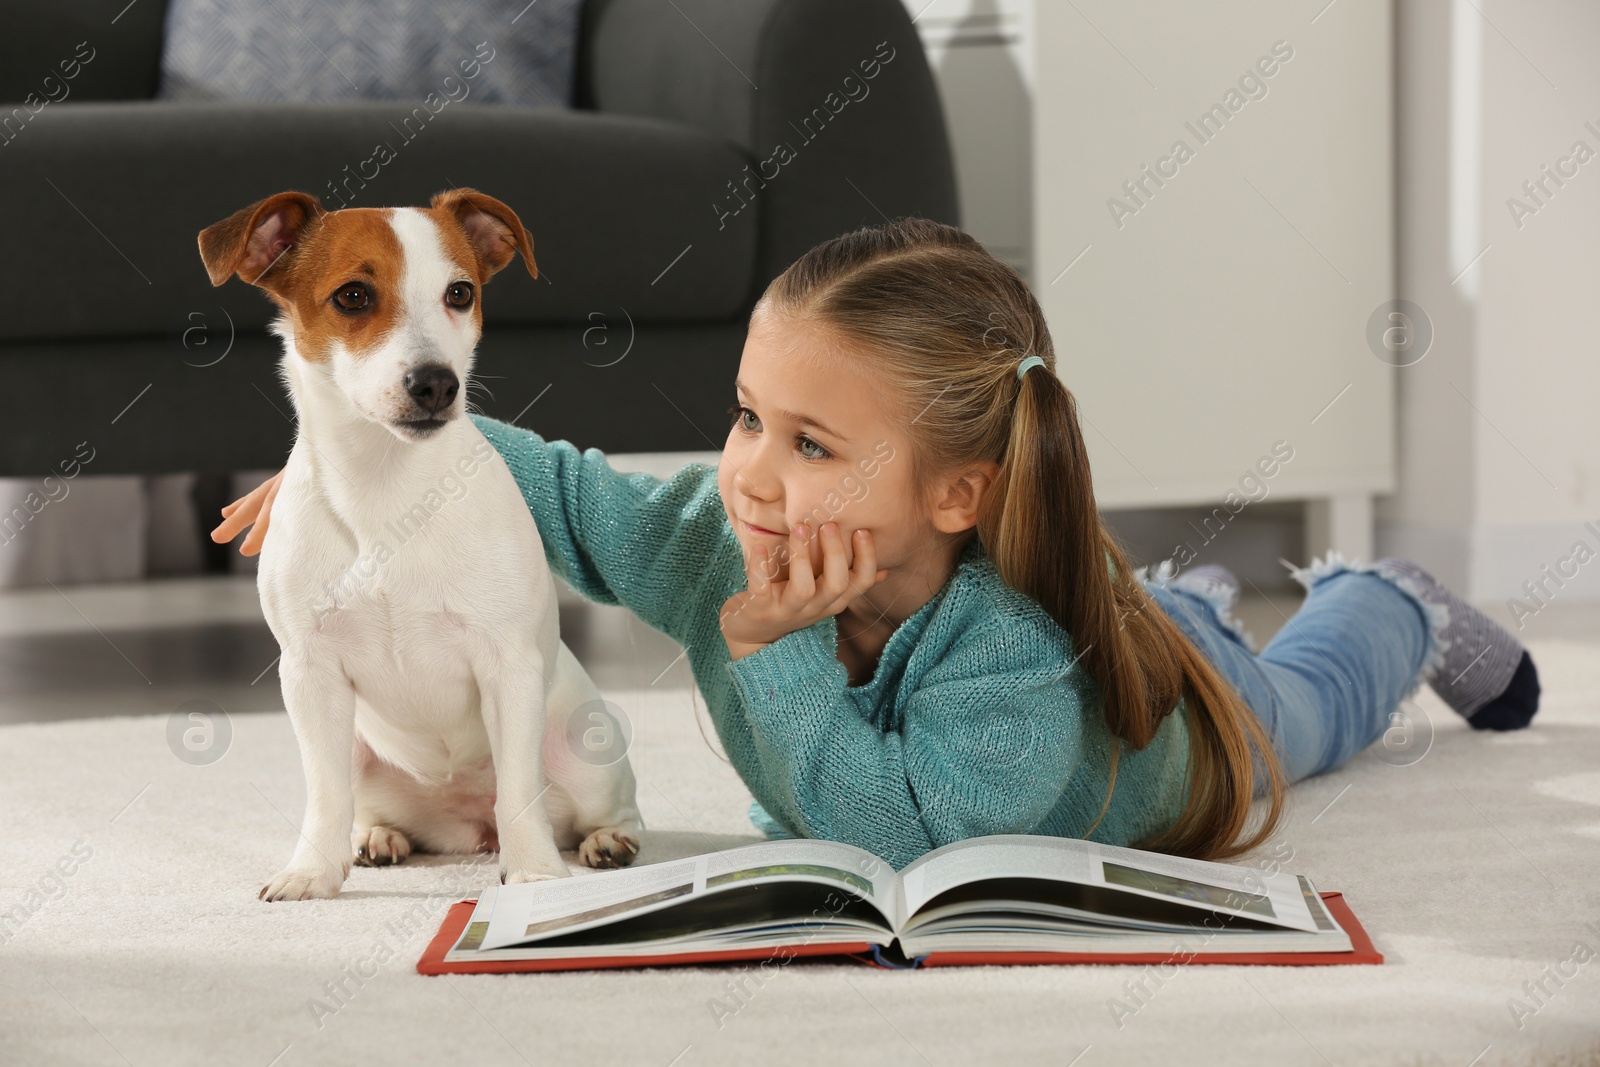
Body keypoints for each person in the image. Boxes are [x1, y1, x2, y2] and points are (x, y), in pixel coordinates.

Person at [212, 217, 1540, 870]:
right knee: (1173, 602)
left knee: (1306, 701)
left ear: (960, 496)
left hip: (1191, 719)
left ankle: (1390, 600)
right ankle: (1176, 589)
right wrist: (338, 461)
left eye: (810, 444)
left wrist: (765, 654)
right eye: (746, 417)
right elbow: (546, 483)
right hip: (1099, 599)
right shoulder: (716, 534)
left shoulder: (1019, 674)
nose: (748, 475)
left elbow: (903, 845)